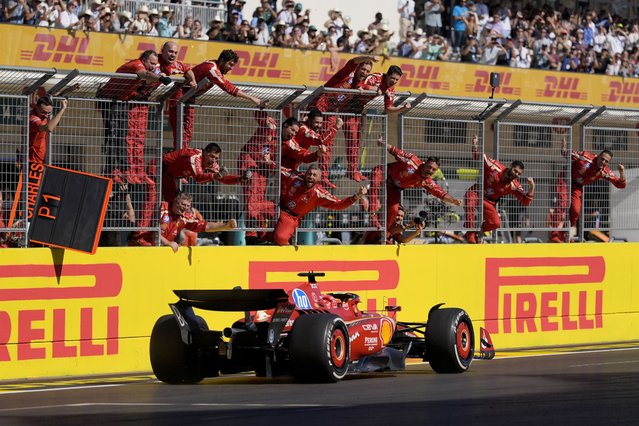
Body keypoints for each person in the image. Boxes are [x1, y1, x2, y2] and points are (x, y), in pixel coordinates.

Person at [97, 50, 171, 184]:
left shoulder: (154, 68)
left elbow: (158, 72)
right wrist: (160, 78)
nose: (153, 67)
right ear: (143, 60)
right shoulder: (136, 65)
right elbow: (144, 74)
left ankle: (122, 170)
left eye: (155, 64)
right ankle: (111, 171)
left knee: (123, 136)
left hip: (121, 101)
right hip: (109, 100)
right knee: (113, 136)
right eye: (151, 63)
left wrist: (161, 75)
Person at [368, 138, 462, 237]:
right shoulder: (412, 161)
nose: (430, 170)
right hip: (384, 173)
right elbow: (396, 152)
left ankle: (385, 235)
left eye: (433, 170)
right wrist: (383, 143)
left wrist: (453, 201)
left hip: (394, 187)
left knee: (394, 210)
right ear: (424, 164)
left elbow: (440, 193)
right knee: (375, 185)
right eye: (429, 167)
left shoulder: (427, 182)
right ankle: (373, 218)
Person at [312, 55, 378, 184]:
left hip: (334, 111)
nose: (364, 73)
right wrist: (369, 57)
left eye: (367, 71)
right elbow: (352, 61)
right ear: (357, 68)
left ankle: (343, 172)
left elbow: (378, 88)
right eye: (363, 69)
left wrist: (374, 90)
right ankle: (319, 174)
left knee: (341, 140)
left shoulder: (361, 83)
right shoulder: (346, 74)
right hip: (320, 107)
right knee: (316, 139)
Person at [180, 50, 266, 148]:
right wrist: (251, 98)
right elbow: (228, 87)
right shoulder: (212, 68)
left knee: (186, 131)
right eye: (230, 64)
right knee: (182, 130)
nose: (231, 68)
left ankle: (181, 152)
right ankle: (178, 155)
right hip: (180, 97)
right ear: (221, 61)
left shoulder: (215, 69)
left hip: (188, 98)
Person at [266, 164, 367, 245]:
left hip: (291, 217)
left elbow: (339, 204)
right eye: (309, 174)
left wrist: (356, 196)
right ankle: (257, 238)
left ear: (319, 180)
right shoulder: (296, 177)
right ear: (305, 174)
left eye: (314, 175)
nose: (310, 177)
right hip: (277, 206)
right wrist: (268, 161)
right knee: (255, 209)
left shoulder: (319, 193)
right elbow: (280, 168)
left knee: (281, 238)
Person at [464, 135, 535, 244]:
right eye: (515, 171)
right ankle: (470, 234)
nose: (516, 174)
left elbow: (526, 201)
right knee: (470, 203)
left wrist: (532, 186)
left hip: (489, 202)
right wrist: (475, 144)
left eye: (519, 174)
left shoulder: (514, 185)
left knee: (496, 223)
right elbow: (478, 156)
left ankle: (477, 230)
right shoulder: (494, 166)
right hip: (476, 193)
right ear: (510, 166)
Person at [554, 138, 626, 241]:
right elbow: (565, 153)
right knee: (562, 203)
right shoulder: (585, 156)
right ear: (598, 156)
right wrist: (564, 144)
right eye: (602, 158)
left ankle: (566, 232)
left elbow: (621, 185)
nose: (603, 162)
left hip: (577, 187)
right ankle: (555, 235)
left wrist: (621, 172)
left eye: (606, 161)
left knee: (575, 210)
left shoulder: (604, 171)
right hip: (565, 179)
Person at [132, 191, 237, 252]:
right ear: (176, 202)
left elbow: (206, 226)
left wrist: (226, 226)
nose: (185, 208)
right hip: (142, 247)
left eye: (188, 206)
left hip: (161, 250)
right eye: (183, 205)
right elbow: (154, 231)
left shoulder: (185, 216)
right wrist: (168, 243)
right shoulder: (162, 207)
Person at [237, 110, 279, 245]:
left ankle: (262, 232)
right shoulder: (268, 129)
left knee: (259, 201)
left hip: (263, 169)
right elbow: (260, 116)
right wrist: (263, 112)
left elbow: (276, 167)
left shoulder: (281, 143)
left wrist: (269, 164)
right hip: (251, 164)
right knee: (252, 199)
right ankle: (252, 235)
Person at [161, 142, 248, 204]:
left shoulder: (211, 163)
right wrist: (215, 175)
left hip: (170, 177)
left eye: (216, 158)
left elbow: (223, 178)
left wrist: (240, 179)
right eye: (212, 156)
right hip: (159, 168)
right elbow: (199, 178)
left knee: (174, 203)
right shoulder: (195, 156)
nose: (213, 160)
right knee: (153, 200)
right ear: (205, 153)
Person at [158, 41, 196, 149]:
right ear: (163, 50)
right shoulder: (156, 61)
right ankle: (179, 153)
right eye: (170, 51)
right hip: (157, 98)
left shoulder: (178, 64)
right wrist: (159, 75)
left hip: (179, 100)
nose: (173, 55)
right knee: (178, 130)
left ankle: (181, 152)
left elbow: (188, 70)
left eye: (175, 52)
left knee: (185, 131)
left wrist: (193, 80)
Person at [293, 108, 342, 188]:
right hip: (286, 164)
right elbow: (321, 140)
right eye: (316, 122)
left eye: (320, 123)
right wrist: (336, 127)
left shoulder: (305, 127)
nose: (319, 126)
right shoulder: (304, 129)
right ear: (309, 120)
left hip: (293, 164)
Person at [28, 95, 68, 165]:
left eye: (49, 113)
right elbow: (48, 128)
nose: (46, 115)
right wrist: (63, 109)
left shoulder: (42, 116)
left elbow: (57, 95)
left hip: (41, 159)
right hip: (32, 160)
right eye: (43, 112)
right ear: (36, 107)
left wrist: (68, 89)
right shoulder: (33, 119)